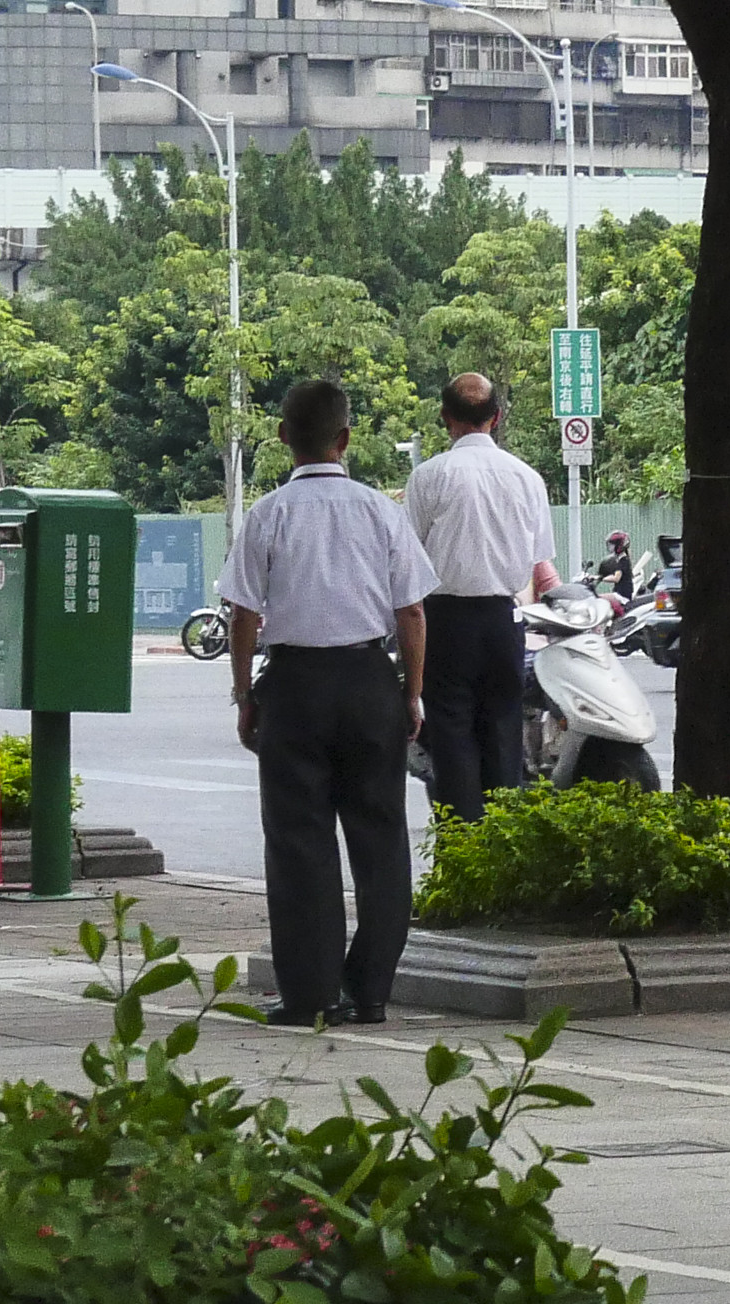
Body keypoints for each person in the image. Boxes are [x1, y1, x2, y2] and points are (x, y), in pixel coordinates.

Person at [223, 379, 438, 1028]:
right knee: (380, 839)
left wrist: (244, 693)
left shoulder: (267, 514)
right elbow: (412, 611)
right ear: (345, 439)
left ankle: (312, 993)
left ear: (284, 437)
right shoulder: (380, 510)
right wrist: (411, 690)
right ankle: (369, 988)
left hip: (293, 685)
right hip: (369, 677)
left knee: (298, 841)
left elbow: (243, 615)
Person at [404, 371, 556, 824]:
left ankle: (460, 853)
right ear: (497, 417)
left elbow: (410, 559)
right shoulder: (526, 478)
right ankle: (498, 854)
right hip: (503, 621)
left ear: (446, 419)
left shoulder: (427, 478)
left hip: (445, 623)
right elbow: (537, 560)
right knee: (503, 737)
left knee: (451, 740)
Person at [598, 529, 636, 600]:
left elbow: (616, 578)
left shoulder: (623, 560)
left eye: (612, 545)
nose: (610, 547)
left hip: (623, 596)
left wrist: (600, 578)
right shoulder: (621, 559)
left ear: (619, 545)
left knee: (600, 599)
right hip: (620, 594)